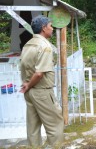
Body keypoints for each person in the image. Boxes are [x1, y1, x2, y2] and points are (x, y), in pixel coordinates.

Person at [20, 16, 64, 147]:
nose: (52, 29)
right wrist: (29, 83)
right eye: (50, 26)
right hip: (42, 91)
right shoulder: (45, 46)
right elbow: (39, 73)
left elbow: (24, 66)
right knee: (55, 124)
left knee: (33, 127)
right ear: (44, 28)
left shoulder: (28, 44)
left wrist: (27, 84)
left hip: (29, 91)